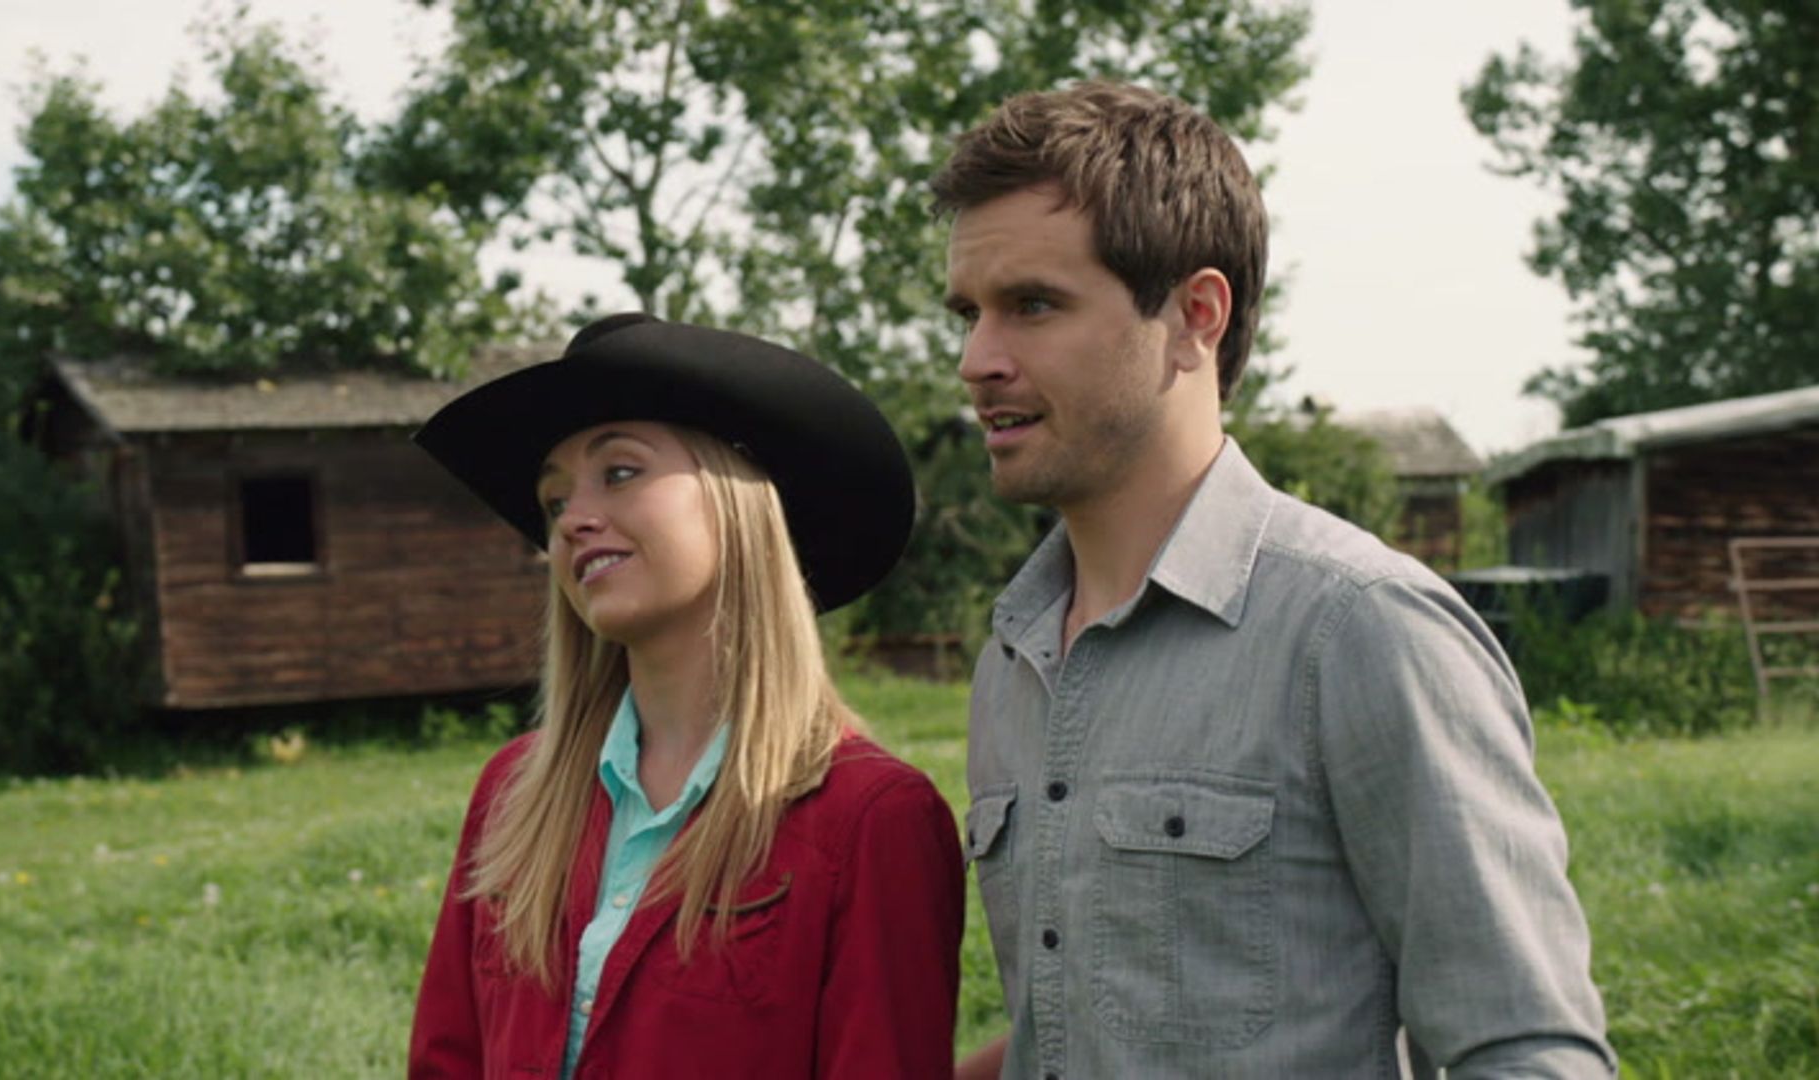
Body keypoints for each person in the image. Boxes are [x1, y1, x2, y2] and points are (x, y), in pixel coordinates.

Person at [934, 83, 1615, 1078]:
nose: (976, 360)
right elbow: (1089, 1027)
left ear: (1194, 316)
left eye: (1033, 305)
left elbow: (1526, 1050)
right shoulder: (1015, 657)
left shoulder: (1360, 629)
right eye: (969, 314)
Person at [407, 313, 964, 1079]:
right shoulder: (512, 794)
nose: (573, 521)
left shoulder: (870, 821)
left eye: (620, 472)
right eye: (554, 502)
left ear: (738, 501)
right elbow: (447, 1062)